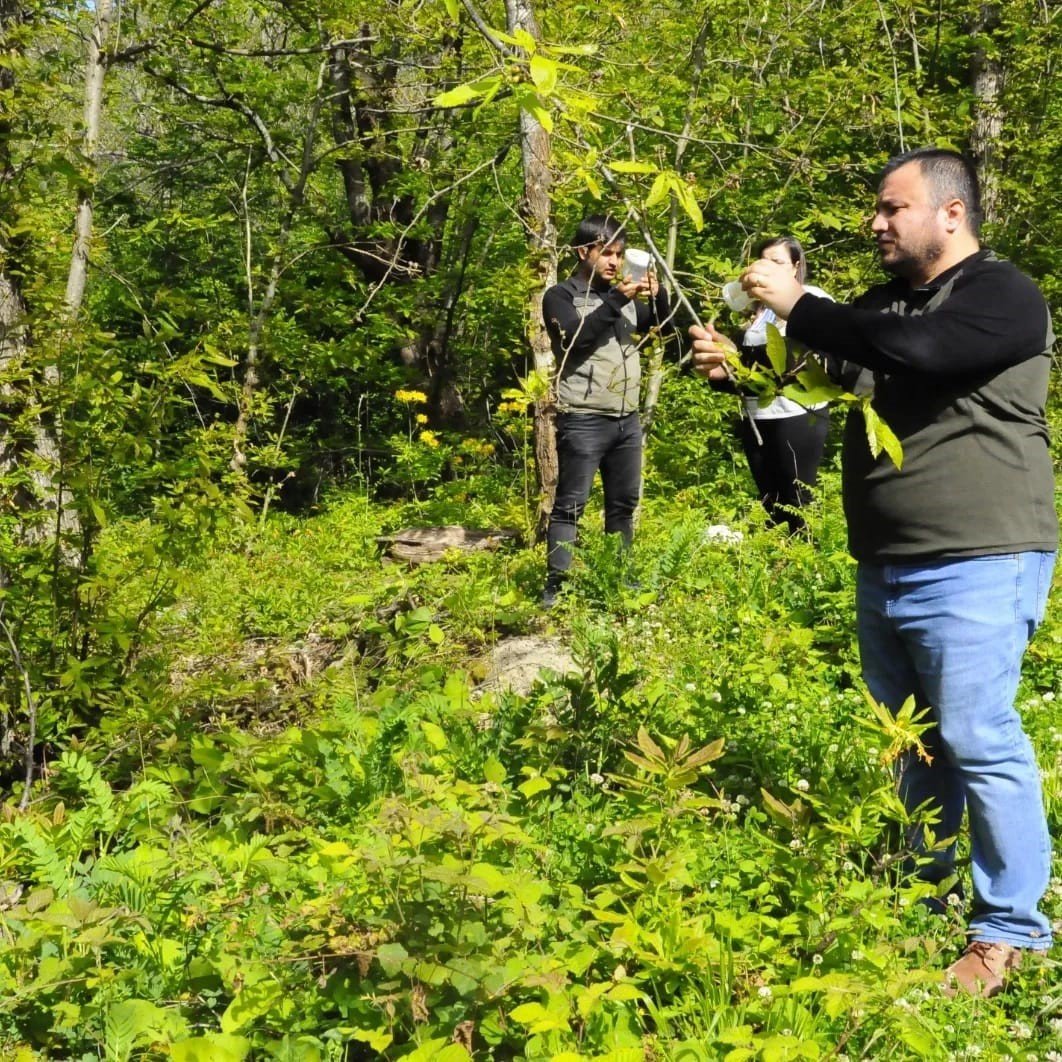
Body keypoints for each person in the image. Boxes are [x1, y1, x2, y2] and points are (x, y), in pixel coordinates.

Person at [690, 147, 1057, 998]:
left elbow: (918, 353)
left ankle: (1008, 931)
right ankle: (922, 898)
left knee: (976, 737)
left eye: (893, 208)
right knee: (915, 741)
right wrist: (736, 369)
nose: (876, 223)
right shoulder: (882, 304)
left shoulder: (1001, 295)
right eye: (877, 210)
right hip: (885, 561)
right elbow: (828, 374)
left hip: (980, 555)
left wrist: (802, 306)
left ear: (951, 213)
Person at [540, 214, 671, 607]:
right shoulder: (560, 296)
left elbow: (664, 328)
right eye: (606, 253)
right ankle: (557, 587)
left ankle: (618, 580)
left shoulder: (624, 298)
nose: (615, 262)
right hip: (583, 417)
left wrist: (657, 293)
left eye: (619, 254)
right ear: (584, 252)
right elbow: (575, 340)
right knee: (570, 505)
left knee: (622, 505)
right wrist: (619, 299)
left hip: (626, 420)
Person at [720, 236, 833, 533]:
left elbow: (814, 358)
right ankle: (775, 567)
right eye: (764, 262)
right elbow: (749, 372)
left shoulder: (812, 299)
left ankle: (807, 567)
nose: (768, 269)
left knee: (797, 501)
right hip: (757, 416)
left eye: (778, 262)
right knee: (770, 501)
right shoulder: (758, 312)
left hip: (796, 415)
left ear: (795, 267)